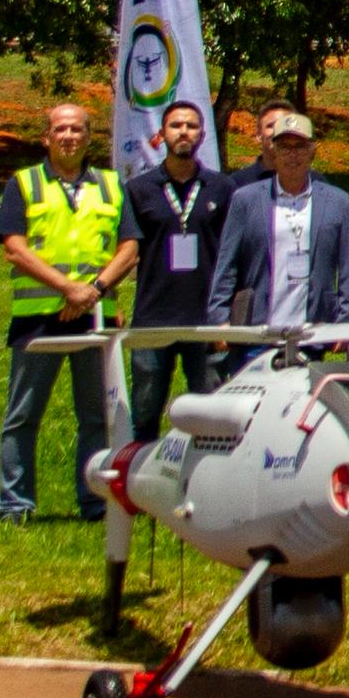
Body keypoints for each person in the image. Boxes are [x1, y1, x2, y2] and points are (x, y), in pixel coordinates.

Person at [0, 101, 138, 522]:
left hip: (96, 317)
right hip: (38, 318)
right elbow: (14, 249)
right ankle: (15, 504)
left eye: (77, 129)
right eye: (61, 130)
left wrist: (92, 290)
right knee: (22, 416)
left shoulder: (112, 186)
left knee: (96, 417)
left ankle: (93, 502)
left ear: (89, 137)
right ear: (47, 138)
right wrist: (67, 289)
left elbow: (129, 248)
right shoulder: (23, 184)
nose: (69, 136)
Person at [117, 96, 234, 441]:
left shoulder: (223, 188)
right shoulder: (138, 190)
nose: (184, 131)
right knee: (145, 413)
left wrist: (227, 316)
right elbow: (125, 250)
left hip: (207, 319)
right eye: (176, 125)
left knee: (211, 415)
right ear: (162, 134)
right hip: (154, 317)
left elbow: (233, 255)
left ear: (201, 135)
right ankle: (138, 482)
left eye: (191, 126)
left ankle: (207, 485)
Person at [209, 107, 349, 337]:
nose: (293, 155)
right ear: (274, 151)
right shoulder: (246, 199)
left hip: (313, 329)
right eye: (285, 147)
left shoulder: (337, 202)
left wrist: (346, 321)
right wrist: (219, 318)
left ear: (312, 151)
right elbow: (227, 263)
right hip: (257, 327)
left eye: (300, 147)